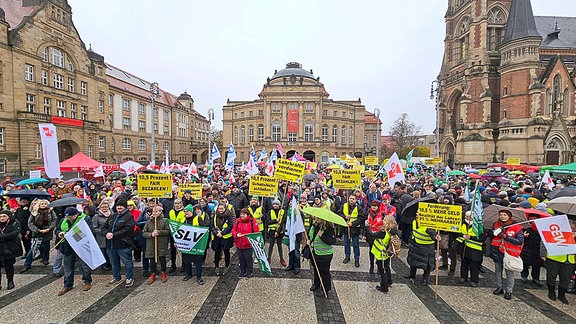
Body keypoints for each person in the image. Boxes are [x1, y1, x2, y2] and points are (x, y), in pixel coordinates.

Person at [54, 207, 93, 296]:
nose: (68, 218)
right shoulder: (64, 219)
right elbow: (57, 229)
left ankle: (87, 281)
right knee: (68, 267)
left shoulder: (85, 219)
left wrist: (72, 234)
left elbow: (89, 231)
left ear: (76, 215)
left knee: (84, 265)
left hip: (80, 246)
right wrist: (59, 233)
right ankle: (68, 284)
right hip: (67, 246)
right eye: (67, 217)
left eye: (70, 217)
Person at [489, 209, 524, 300]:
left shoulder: (517, 227)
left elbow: (520, 241)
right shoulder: (496, 224)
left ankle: (509, 291)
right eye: (501, 214)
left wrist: (506, 237)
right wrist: (495, 233)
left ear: (509, 216)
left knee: (509, 272)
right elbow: (491, 235)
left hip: (509, 253)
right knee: (498, 270)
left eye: (505, 215)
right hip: (497, 251)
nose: (502, 216)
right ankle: (499, 287)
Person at [541, 218, 576, 304]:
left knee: (565, 279)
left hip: (570, 261)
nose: (572, 230)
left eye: (573, 228)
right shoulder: (557, 233)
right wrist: (543, 253)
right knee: (551, 276)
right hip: (554, 258)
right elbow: (545, 241)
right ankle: (551, 292)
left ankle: (562, 295)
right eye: (570, 228)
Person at [104, 198, 136, 288]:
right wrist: (106, 233)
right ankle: (116, 276)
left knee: (127, 261)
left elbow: (127, 229)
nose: (119, 207)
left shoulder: (129, 216)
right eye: (118, 206)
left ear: (125, 207)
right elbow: (104, 227)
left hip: (123, 244)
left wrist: (114, 234)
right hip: (111, 244)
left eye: (121, 206)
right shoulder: (112, 216)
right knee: (114, 262)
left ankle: (129, 277)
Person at [405, 213, 441, 286]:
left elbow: (432, 233)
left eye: (419, 213)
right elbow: (413, 232)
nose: (416, 214)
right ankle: (412, 274)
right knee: (413, 261)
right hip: (415, 245)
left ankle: (425, 278)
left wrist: (436, 237)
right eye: (417, 213)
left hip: (426, 248)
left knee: (427, 265)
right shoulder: (414, 221)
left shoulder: (428, 225)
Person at [21, 199, 56, 272]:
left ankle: (45, 259)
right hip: (37, 233)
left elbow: (54, 220)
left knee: (46, 247)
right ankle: (27, 264)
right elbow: (30, 223)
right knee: (33, 249)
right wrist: (37, 230)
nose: (43, 205)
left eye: (45, 204)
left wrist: (49, 228)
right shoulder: (34, 213)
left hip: (47, 232)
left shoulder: (51, 212)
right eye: (42, 204)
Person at [307, 217, 336, 296]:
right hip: (316, 252)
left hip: (325, 254)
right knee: (316, 269)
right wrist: (309, 241)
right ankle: (316, 284)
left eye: (318, 218)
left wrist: (322, 236)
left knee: (324, 272)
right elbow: (311, 236)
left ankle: (325, 289)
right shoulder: (315, 226)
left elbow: (332, 241)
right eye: (316, 218)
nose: (316, 219)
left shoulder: (329, 228)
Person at [183, 204, 211, 285]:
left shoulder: (198, 218)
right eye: (185, 212)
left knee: (197, 261)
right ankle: (189, 274)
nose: (186, 213)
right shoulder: (184, 220)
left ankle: (199, 277)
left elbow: (204, 229)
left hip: (197, 243)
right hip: (187, 244)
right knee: (187, 260)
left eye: (187, 211)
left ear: (192, 211)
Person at [142, 205, 170, 285]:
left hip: (161, 243)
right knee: (152, 259)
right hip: (151, 243)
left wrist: (159, 232)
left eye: (156, 211)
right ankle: (153, 273)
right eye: (153, 211)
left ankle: (163, 273)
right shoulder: (148, 221)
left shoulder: (164, 221)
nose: (154, 213)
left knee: (162, 258)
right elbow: (144, 233)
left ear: (160, 212)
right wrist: (151, 234)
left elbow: (168, 231)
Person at [457, 211, 485, 287]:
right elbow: (457, 232)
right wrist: (462, 235)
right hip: (464, 247)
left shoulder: (479, 226)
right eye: (466, 216)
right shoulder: (463, 223)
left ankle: (474, 280)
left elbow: (482, 238)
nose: (466, 217)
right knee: (464, 263)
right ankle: (463, 277)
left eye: (468, 216)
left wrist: (471, 237)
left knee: (474, 266)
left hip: (475, 249)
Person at [371, 216, 398, 293]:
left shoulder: (384, 233)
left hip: (381, 254)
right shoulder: (392, 231)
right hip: (387, 253)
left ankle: (384, 286)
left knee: (382, 270)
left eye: (384, 220)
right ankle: (389, 281)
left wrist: (367, 227)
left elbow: (373, 235)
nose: (383, 221)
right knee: (387, 267)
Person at [339, 195, 366, 267]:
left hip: (355, 230)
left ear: (356, 200)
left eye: (353, 199)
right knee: (346, 244)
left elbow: (361, 219)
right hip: (346, 229)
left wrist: (353, 224)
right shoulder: (343, 206)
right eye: (350, 198)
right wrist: (345, 217)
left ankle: (356, 259)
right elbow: (339, 214)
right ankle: (347, 257)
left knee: (356, 245)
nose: (351, 200)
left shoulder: (358, 208)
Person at [232, 208, 259, 279]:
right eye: (241, 214)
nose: (242, 216)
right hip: (239, 244)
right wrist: (237, 234)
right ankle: (242, 271)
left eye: (244, 214)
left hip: (248, 245)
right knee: (241, 258)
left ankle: (249, 272)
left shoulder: (252, 221)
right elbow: (233, 230)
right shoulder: (238, 221)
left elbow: (256, 233)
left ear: (248, 214)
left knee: (248, 259)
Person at [0, 209, 23, 290]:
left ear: (8, 217)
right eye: (1, 216)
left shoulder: (14, 223)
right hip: (0, 249)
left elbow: (13, 234)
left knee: (9, 266)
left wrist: (2, 237)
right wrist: (5, 237)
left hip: (10, 249)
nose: (2, 218)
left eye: (4, 216)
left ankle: (10, 281)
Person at [211, 203, 234, 275]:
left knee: (226, 252)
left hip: (226, 237)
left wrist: (222, 233)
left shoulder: (229, 216)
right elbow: (211, 225)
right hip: (217, 237)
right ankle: (216, 266)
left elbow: (230, 226)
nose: (220, 210)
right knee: (217, 252)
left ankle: (226, 266)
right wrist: (216, 233)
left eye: (222, 209)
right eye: (219, 208)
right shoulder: (215, 215)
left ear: (225, 209)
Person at [520, 214, 543, 286]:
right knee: (525, 263)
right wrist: (524, 236)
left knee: (536, 265)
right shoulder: (525, 228)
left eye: (534, 218)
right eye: (531, 218)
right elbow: (520, 238)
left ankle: (536, 278)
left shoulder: (542, 229)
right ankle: (524, 275)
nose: (533, 220)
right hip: (526, 249)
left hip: (537, 250)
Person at [93, 199, 113, 271]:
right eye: (103, 207)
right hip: (101, 237)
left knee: (111, 251)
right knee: (103, 251)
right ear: (100, 207)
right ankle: (105, 264)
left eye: (106, 207)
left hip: (111, 235)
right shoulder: (96, 216)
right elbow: (94, 228)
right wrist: (103, 232)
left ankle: (111, 263)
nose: (104, 208)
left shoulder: (112, 214)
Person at [265, 199, 286, 266]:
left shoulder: (282, 212)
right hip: (271, 231)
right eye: (274, 204)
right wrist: (275, 220)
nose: (275, 205)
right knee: (271, 245)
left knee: (280, 245)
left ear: (279, 205)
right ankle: (269, 258)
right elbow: (267, 221)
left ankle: (281, 258)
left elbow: (283, 223)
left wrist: (278, 231)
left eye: (277, 204)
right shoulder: (269, 212)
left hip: (280, 231)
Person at [365, 200, 383, 274]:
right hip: (370, 235)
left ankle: (379, 267)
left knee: (378, 252)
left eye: (375, 206)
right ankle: (371, 266)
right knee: (371, 252)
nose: (374, 207)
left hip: (378, 235)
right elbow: (366, 225)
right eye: (373, 205)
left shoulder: (382, 214)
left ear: (378, 206)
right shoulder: (368, 213)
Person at [167, 198, 185, 273]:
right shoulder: (171, 212)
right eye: (175, 203)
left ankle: (184, 265)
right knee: (172, 250)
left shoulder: (184, 212)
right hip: (172, 233)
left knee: (182, 250)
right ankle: (173, 265)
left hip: (181, 233)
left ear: (181, 204)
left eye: (178, 203)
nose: (176, 205)